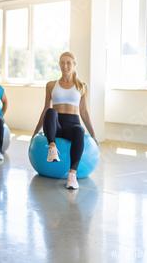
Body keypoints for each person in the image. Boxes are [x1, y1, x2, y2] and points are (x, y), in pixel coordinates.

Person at [32, 52, 97, 190]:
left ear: (74, 65)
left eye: (68, 63)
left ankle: (72, 175)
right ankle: (52, 147)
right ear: (59, 64)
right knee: (50, 111)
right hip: (55, 125)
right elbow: (45, 110)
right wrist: (35, 132)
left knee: (80, 130)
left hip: (72, 125)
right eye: (62, 62)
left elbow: (84, 112)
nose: (65, 66)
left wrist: (93, 134)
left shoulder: (82, 86)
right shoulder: (51, 85)